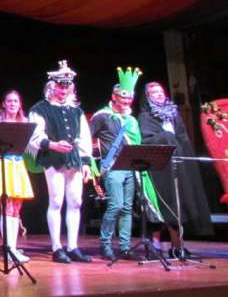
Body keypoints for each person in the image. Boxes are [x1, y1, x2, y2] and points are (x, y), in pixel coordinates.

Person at [27, 61, 93, 264]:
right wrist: (53, 145)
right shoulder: (40, 109)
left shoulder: (76, 111)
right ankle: (57, 247)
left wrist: (86, 162)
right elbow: (35, 136)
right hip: (53, 158)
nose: (63, 90)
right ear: (52, 86)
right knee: (56, 201)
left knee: (76, 201)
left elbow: (84, 137)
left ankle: (73, 246)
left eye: (67, 86)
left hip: (73, 160)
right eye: (60, 86)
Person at [139, 81, 213, 257]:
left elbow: (182, 138)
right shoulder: (145, 117)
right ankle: (155, 246)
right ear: (147, 97)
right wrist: (167, 137)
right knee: (161, 207)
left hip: (177, 166)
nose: (159, 94)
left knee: (178, 206)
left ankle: (177, 247)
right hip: (159, 169)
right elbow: (147, 140)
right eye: (154, 92)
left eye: (161, 91)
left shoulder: (174, 115)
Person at [90, 67, 144, 261]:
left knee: (127, 208)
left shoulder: (131, 120)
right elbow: (86, 140)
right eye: (123, 97)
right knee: (116, 205)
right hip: (112, 167)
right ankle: (105, 245)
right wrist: (92, 167)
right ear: (114, 97)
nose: (127, 101)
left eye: (130, 98)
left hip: (130, 168)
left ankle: (125, 247)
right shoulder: (102, 116)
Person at [0, 90, 34, 264]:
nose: (13, 104)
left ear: (20, 104)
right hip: (2, 164)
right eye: (9, 101)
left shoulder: (24, 122)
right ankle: (9, 248)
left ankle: (13, 246)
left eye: (16, 101)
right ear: (4, 104)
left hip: (18, 165)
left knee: (16, 207)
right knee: (7, 206)